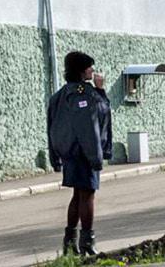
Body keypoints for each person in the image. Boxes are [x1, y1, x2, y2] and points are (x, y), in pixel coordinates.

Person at [47, 51, 112, 256]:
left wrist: (55, 156)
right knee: (88, 196)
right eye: (90, 67)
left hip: (69, 153)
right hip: (86, 152)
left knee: (77, 196)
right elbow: (98, 119)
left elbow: (50, 126)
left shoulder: (59, 95)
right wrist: (101, 91)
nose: (93, 70)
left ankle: (69, 243)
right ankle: (87, 243)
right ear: (82, 70)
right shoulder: (87, 94)